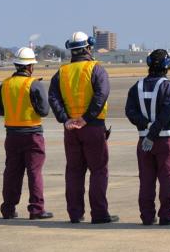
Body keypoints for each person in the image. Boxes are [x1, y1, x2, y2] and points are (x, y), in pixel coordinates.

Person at [49, 31, 115, 224]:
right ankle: (100, 214)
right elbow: (102, 94)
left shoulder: (61, 72)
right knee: (98, 170)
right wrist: (86, 118)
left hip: (71, 130)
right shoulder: (96, 69)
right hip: (92, 127)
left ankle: (75, 214)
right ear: (88, 47)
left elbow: (53, 97)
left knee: (74, 172)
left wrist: (65, 119)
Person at [124, 49, 170, 226]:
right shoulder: (168, 86)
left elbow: (130, 111)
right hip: (164, 141)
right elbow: (166, 113)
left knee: (146, 180)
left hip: (143, 142)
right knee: (167, 178)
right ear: (166, 65)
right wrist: (153, 130)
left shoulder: (137, 86)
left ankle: (147, 216)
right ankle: (166, 215)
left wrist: (146, 127)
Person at [0, 47, 53, 220]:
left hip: (12, 135)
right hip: (32, 134)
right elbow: (44, 111)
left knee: (12, 172)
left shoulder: (4, 84)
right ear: (30, 66)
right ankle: (36, 209)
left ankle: (8, 209)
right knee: (34, 172)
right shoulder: (34, 84)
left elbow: (0, 110)